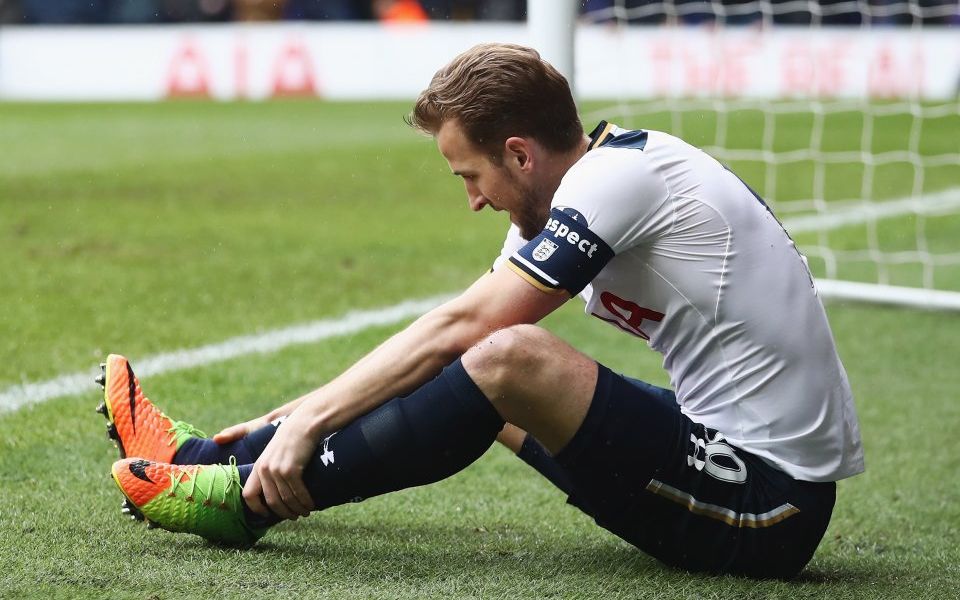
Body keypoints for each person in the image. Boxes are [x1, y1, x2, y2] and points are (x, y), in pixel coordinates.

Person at [101, 43, 864, 578]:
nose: (472, 200)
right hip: (715, 454)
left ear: (521, 154)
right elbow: (439, 345)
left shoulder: (620, 183)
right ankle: (209, 464)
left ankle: (243, 505)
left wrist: (306, 428)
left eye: (471, 174)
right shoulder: (577, 187)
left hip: (772, 507)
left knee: (507, 357)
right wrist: (281, 422)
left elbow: (473, 332)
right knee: (476, 375)